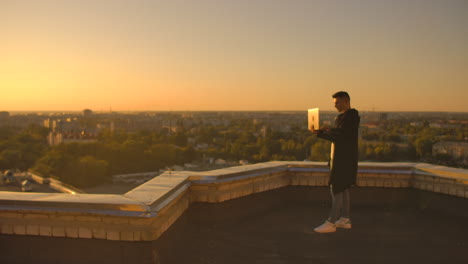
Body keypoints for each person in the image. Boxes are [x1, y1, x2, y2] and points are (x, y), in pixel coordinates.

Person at [311, 91, 360, 233]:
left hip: (342, 160)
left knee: (336, 188)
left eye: (337, 103)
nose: (336, 106)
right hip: (343, 159)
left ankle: (331, 222)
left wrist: (320, 134)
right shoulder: (348, 117)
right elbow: (342, 133)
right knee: (343, 188)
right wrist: (327, 130)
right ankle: (345, 219)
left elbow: (340, 137)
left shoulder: (350, 116)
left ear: (346, 101)